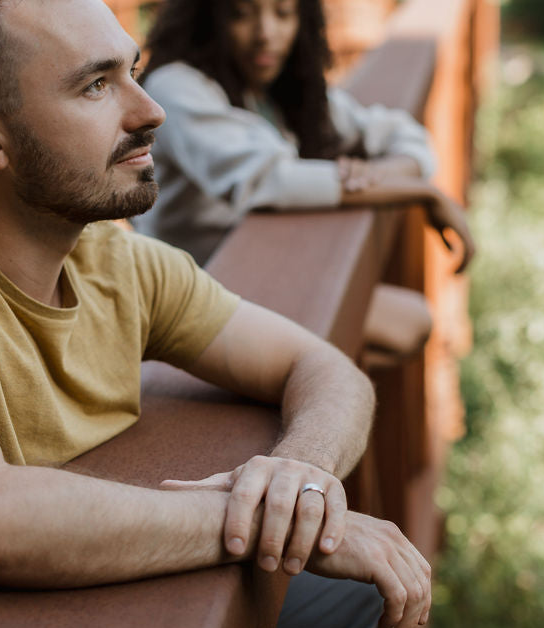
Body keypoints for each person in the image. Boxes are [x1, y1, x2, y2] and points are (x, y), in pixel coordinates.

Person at [0, 0, 431, 628]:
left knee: (348, 599)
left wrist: (300, 473)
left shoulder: (116, 260)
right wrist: (242, 515)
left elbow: (325, 369)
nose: (150, 111)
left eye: (134, 70)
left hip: (116, 615)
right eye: (96, 85)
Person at [132, 0, 476, 362]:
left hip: (264, 278)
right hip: (195, 297)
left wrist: (378, 176)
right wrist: (418, 192)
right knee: (399, 325)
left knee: (409, 322)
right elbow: (265, 180)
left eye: (283, 13)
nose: (266, 34)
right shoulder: (176, 88)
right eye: (241, 14)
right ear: (206, 18)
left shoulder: (277, 87)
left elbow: (400, 134)